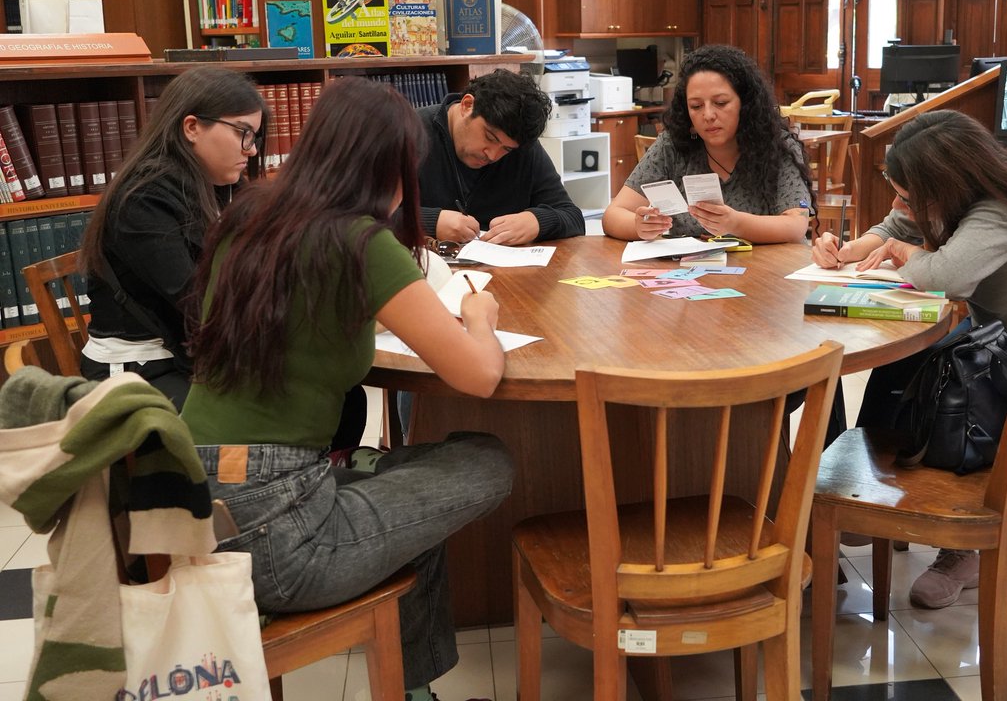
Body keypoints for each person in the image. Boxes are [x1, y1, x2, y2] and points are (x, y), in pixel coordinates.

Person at [181, 76, 512, 701]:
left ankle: (416, 692)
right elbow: (480, 373)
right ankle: (415, 692)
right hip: (277, 534)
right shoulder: (360, 241)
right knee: (486, 459)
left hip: (197, 499)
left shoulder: (248, 216)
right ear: (386, 167)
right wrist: (480, 318)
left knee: (413, 490)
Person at [813, 109, 1007, 609]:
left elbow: (945, 276)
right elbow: (895, 224)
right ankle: (873, 486)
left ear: (943, 184)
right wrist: (849, 251)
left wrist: (901, 253)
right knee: (906, 358)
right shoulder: (960, 192)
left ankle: (963, 544)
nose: (898, 200)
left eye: (909, 192)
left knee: (944, 386)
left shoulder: (1003, 208)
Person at [78, 66, 268, 410]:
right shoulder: (142, 198)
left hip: (192, 355)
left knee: (342, 400)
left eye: (253, 136)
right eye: (243, 132)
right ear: (192, 128)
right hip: (136, 371)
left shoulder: (222, 188)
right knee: (274, 412)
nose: (251, 150)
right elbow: (198, 301)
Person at [602, 43, 814, 243]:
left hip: (766, 274)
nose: (708, 115)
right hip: (693, 275)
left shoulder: (776, 145)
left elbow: (796, 225)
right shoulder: (674, 145)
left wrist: (735, 223)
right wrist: (639, 226)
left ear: (746, 103)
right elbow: (612, 215)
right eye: (696, 106)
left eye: (720, 103)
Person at [415, 68, 584, 245]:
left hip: (503, 268)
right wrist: (431, 222)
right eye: (490, 137)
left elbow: (572, 216)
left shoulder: (524, 146)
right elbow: (383, 217)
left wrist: (537, 222)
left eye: (507, 149)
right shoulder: (408, 132)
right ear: (467, 105)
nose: (493, 155)